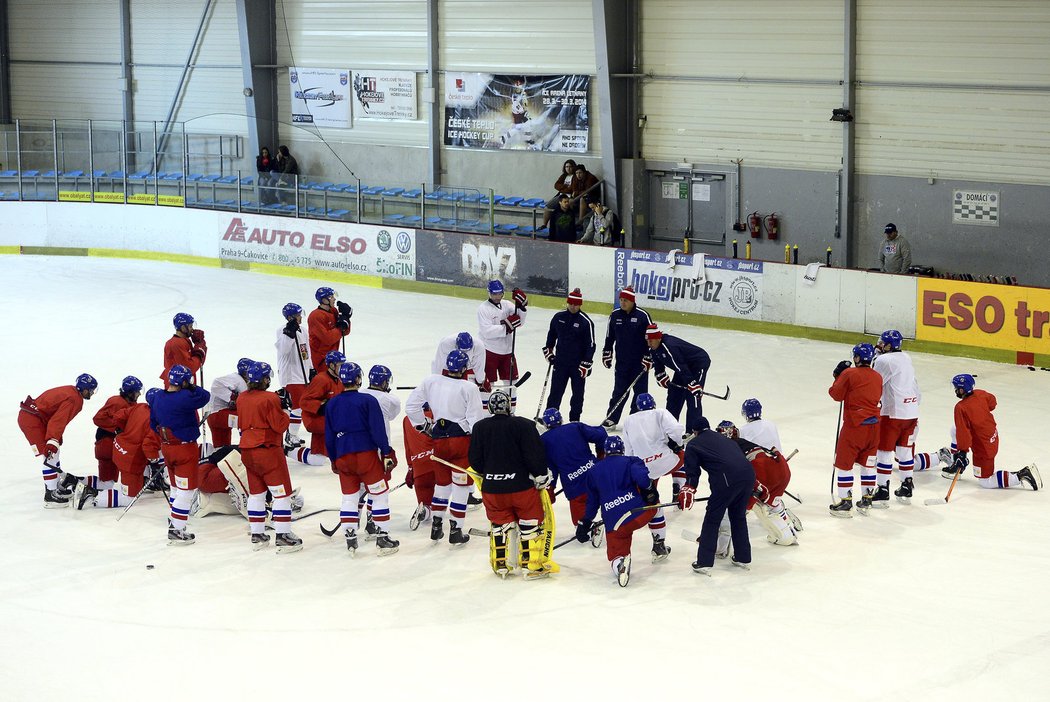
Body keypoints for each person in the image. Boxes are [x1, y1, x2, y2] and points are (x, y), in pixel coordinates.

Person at [469, 390, 553, 579]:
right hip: (521, 489)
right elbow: (534, 456)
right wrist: (540, 475)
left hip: (493, 491)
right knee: (530, 523)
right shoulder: (524, 425)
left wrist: (492, 474)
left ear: (490, 408)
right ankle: (531, 566)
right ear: (509, 406)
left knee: (499, 524)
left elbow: (475, 461)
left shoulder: (480, 427)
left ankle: (501, 564)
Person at [405, 350, 486, 546]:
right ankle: (456, 530)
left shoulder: (431, 381)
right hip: (460, 442)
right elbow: (476, 420)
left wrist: (424, 426)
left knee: (442, 485)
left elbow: (411, 407)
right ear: (465, 368)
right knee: (460, 486)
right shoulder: (469, 387)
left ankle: (437, 526)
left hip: (438, 442)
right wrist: (480, 446)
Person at [325, 362, 400, 556]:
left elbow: (329, 436)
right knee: (379, 494)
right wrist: (386, 452)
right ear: (359, 379)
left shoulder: (332, 403)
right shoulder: (367, 400)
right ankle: (382, 538)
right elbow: (378, 430)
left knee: (350, 497)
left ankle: (350, 537)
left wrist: (334, 460)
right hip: (366, 455)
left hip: (343, 456)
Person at [576, 436, 662, 587]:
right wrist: (649, 490)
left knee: (616, 553)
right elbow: (642, 479)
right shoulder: (631, 461)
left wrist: (586, 521)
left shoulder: (594, 471)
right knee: (655, 506)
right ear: (622, 450)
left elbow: (592, 502)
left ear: (606, 451)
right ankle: (660, 542)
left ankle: (620, 565)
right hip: (639, 512)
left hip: (615, 522)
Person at [236, 362, 303, 554]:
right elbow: (279, 425)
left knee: (256, 494)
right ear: (265, 379)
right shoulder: (270, 398)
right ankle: (282, 535)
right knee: (281, 494)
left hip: (247, 451)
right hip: (268, 452)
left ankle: (257, 534)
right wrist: (286, 411)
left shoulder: (242, 398)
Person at [679, 417, 755, 575]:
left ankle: (704, 562)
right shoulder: (725, 439)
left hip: (727, 481)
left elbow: (693, 471)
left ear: (694, 431)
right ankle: (743, 557)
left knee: (712, 519)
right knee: (738, 516)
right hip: (749, 476)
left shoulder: (693, 444)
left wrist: (689, 487)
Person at [940, 374, 1041, 491]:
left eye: (956, 388)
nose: (955, 390)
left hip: (983, 448)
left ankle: (1020, 475)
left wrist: (963, 452)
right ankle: (955, 464)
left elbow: (964, 433)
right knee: (954, 429)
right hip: (992, 436)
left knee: (985, 481)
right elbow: (992, 402)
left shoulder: (960, 407)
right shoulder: (980, 393)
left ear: (962, 389)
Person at [17, 373, 98, 507]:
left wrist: (54, 439)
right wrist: (52, 439)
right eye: (91, 390)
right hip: (32, 421)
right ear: (84, 389)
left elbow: (54, 416)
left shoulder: (70, 390)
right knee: (49, 454)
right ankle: (50, 495)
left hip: (33, 417)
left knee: (54, 452)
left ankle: (55, 485)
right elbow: (58, 420)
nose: (92, 393)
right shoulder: (75, 399)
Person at [150, 364, 210, 545]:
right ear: (184, 381)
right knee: (187, 490)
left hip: (167, 448)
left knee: (176, 487)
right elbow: (205, 396)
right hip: (184, 449)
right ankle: (176, 529)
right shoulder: (185, 397)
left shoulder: (158, 397)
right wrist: (191, 386)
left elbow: (153, 424)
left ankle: (175, 518)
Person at [717, 421, 798, 546]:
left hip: (766, 475)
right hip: (782, 469)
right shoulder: (743, 442)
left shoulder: (730, 448)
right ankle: (790, 531)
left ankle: (721, 542)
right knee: (772, 504)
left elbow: (742, 475)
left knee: (746, 506)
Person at [827, 343, 883, 517]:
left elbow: (836, 394)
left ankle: (845, 502)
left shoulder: (849, 373)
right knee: (868, 464)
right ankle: (866, 499)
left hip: (854, 427)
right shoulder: (878, 376)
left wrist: (838, 375)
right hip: (874, 428)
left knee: (844, 464)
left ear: (857, 358)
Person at [76, 376, 143, 509]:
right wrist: (117, 428)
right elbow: (98, 419)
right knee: (108, 484)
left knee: (106, 483)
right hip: (107, 444)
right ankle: (90, 495)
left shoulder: (129, 404)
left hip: (106, 444)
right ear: (130, 392)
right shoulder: (117, 402)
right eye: (137, 392)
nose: (139, 394)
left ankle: (73, 480)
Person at [871, 329, 921, 505]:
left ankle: (883, 488)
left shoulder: (884, 360)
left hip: (892, 413)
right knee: (904, 449)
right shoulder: (906, 357)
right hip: (911, 411)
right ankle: (907, 484)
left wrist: (874, 358)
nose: (880, 346)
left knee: (883, 451)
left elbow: (874, 380)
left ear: (889, 346)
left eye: (883, 343)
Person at [539, 408, 608, 532]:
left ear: (545, 424)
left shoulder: (544, 441)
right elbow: (601, 434)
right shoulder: (575, 427)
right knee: (607, 495)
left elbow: (551, 469)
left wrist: (550, 489)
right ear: (561, 419)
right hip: (595, 474)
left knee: (579, 520)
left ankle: (587, 529)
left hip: (574, 486)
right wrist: (602, 455)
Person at [622, 391, 687, 511]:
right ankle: (680, 487)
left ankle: (651, 499)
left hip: (644, 469)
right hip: (666, 462)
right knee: (684, 457)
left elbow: (628, 451)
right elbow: (676, 430)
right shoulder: (660, 412)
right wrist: (679, 444)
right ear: (654, 404)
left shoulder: (628, 421)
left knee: (648, 481)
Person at [359, 364, 402, 539]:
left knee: (360, 487)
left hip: (359, 447)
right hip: (379, 449)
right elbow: (391, 416)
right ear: (384, 382)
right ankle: (372, 521)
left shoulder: (359, 393)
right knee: (377, 488)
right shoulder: (390, 399)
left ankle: (353, 524)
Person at [601, 286, 652, 429]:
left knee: (640, 393)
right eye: (621, 300)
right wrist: (607, 352)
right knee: (619, 390)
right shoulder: (615, 315)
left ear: (632, 301)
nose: (623, 303)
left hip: (639, 363)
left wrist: (649, 356)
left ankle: (636, 420)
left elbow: (651, 337)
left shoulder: (643, 316)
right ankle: (612, 418)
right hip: (622, 362)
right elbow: (609, 336)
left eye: (626, 300)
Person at [542, 288, 596, 422]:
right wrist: (549, 352)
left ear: (580, 304)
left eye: (576, 304)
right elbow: (551, 336)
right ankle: (550, 417)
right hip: (560, 363)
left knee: (577, 395)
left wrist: (586, 364)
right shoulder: (558, 317)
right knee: (555, 392)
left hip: (578, 365)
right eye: (571, 303)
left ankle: (574, 420)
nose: (573, 306)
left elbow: (591, 345)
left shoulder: (585, 322)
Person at [646, 323, 711, 431]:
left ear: (658, 338)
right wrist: (660, 375)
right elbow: (658, 362)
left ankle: (693, 430)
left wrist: (692, 383)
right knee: (674, 393)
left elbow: (679, 366)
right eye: (647, 341)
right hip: (683, 367)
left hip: (698, 363)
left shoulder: (669, 346)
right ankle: (670, 427)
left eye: (650, 341)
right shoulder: (654, 347)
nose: (649, 343)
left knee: (693, 396)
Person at [477, 280, 528, 401]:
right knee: (489, 383)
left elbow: (520, 321)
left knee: (512, 383)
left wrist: (522, 307)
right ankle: (486, 414)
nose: (497, 296)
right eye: (494, 294)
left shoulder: (507, 305)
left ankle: (510, 412)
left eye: (499, 294)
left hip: (507, 351)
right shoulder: (483, 309)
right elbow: (486, 331)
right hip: (490, 351)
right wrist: (507, 327)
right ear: (489, 293)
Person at [274, 302, 313, 452]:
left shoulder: (303, 330)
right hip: (290, 376)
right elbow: (283, 350)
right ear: (290, 317)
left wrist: (311, 369)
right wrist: (288, 334)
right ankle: (291, 436)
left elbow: (306, 352)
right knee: (298, 407)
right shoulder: (281, 331)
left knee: (298, 407)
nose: (300, 317)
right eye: (297, 315)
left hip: (303, 376)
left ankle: (291, 434)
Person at [300, 350, 345, 458]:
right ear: (331, 365)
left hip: (326, 417)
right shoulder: (321, 379)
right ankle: (295, 451)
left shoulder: (339, 380)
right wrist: (322, 405)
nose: (343, 368)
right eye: (340, 365)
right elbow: (304, 401)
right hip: (313, 418)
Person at [204, 358, 252, 448]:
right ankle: (249, 445)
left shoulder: (239, 380)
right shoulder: (238, 380)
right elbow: (216, 383)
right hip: (218, 416)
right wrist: (231, 398)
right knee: (249, 419)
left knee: (222, 450)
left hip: (215, 417)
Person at [402, 415, 438, 531]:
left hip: (419, 469)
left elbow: (407, 447)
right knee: (451, 492)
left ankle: (425, 511)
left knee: (426, 505)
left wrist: (410, 468)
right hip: (438, 463)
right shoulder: (436, 411)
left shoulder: (407, 419)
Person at [308, 287, 351, 374]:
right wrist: (341, 327)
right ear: (324, 300)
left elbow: (345, 332)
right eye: (331, 297)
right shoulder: (315, 316)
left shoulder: (333, 311)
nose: (334, 299)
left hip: (333, 356)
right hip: (321, 359)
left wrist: (346, 318)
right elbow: (328, 339)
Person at [161, 312, 206, 384]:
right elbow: (189, 368)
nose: (192, 329)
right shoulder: (175, 344)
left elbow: (197, 363)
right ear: (183, 328)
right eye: (190, 326)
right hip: (177, 386)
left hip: (183, 384)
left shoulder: (185, 340)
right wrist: (199, 352)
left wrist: (199, 346)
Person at [541, 159, 577, 228]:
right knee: (547, 206)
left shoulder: (575, 176)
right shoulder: (563, 176)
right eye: (566, 167)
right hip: (560, 196)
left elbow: (572, 189)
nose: (568, 168)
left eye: (570, 167)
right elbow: (556, 185)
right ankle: (544, 225)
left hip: (569, 197)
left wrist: (563, 189)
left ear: (573, 167)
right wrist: (566, 187)